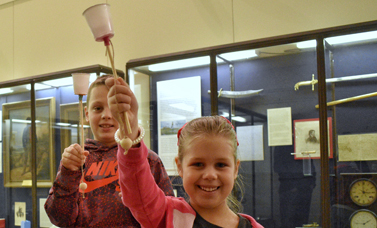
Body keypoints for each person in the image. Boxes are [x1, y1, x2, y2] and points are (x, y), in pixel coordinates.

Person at [106, 77, 263, 228]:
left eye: (221, 165)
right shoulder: (167, 216)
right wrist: (130, 130)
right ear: (179, 166)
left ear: (235, 169)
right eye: (198, 164)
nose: (210, 175)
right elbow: (139, 192)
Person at [44, 75, 174, 227]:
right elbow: (60, 218)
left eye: (114, 108)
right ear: (86, 113)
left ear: (125, 111)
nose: (106, 115)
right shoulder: (77, 160)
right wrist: (67, 174)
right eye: (98, 108)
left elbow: (167, 215)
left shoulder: (147, 160)